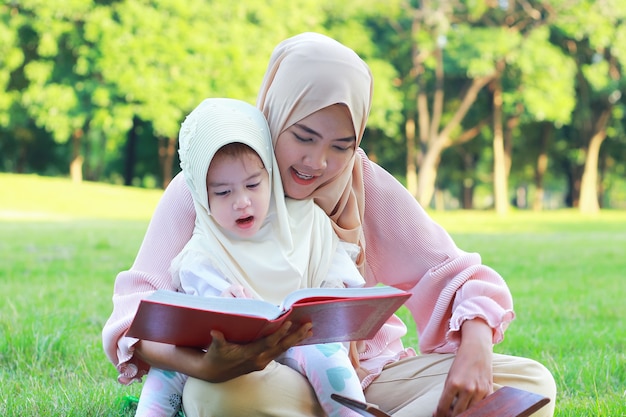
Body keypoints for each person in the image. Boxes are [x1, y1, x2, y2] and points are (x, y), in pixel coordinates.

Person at [103, 32, 557, 417]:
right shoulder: (208, 186)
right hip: (261, 380)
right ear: (274, 113)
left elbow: (456, 273)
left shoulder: (360, 179)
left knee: (530, 381)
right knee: (215, 395)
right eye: (303, 137)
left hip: (368, 378)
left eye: (341, 145)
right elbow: (134, 315)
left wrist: (476, 348)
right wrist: (207, 367)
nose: (318, 162)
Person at [132, 98, 366, 417]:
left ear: (269, 174)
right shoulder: (204, 247)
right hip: (227, 352)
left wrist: (329, 298)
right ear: (202, 195)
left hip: (297, 342)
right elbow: (194, 305)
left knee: (327, 358)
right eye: (223, 193)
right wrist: (220, 303)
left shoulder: (306, 221)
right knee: (167, 371)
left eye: (253, 185)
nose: (242, 202)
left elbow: (335, 278)